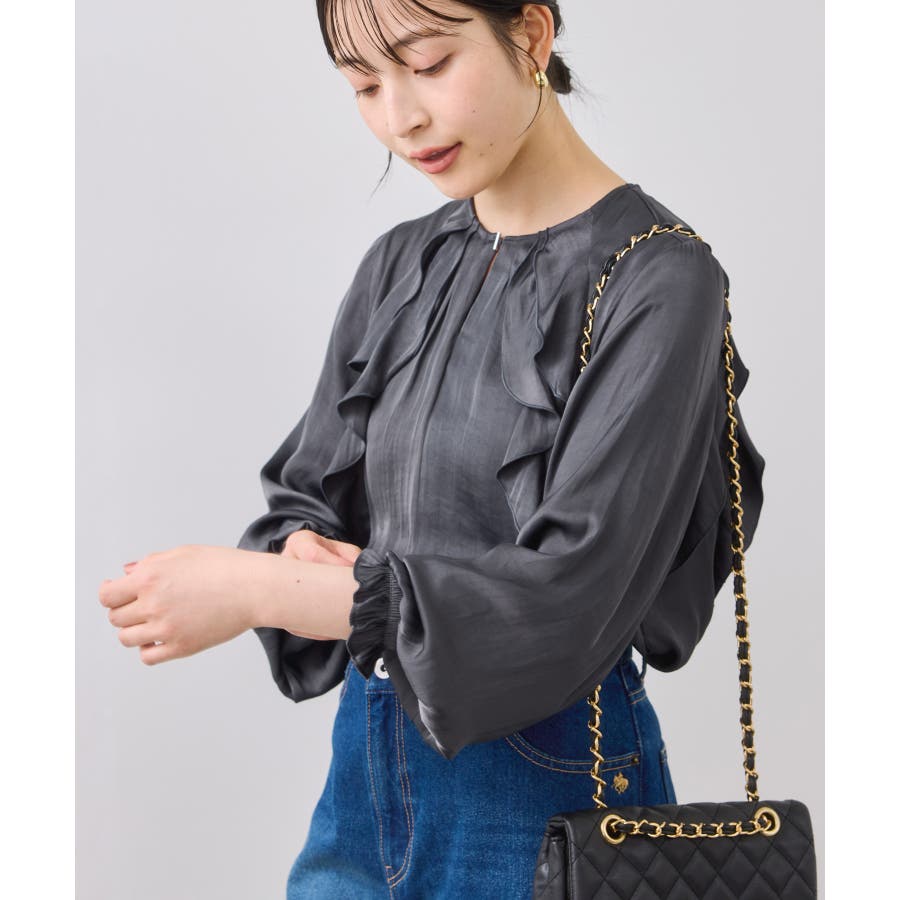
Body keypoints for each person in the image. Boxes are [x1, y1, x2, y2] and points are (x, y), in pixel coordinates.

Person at [98, 1, 766, 897]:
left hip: (552, 796)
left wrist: (259, 588)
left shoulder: (659, 277)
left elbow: (569, 600)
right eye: (364, 85)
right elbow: (310, 492)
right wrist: (303, 551)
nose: (400, 118)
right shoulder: (401, 263)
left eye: (428, 64)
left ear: (530, 35)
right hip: (363, 780)